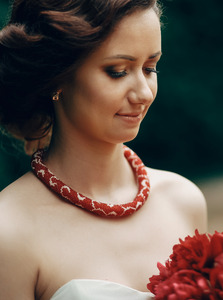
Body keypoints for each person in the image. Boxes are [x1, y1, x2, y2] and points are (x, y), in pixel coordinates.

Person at [0, 0, 207, 299]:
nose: (144, 93)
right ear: (56, 77)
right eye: (118, 71)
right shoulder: (10, 232)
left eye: (150, 68)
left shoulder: (184, 201)